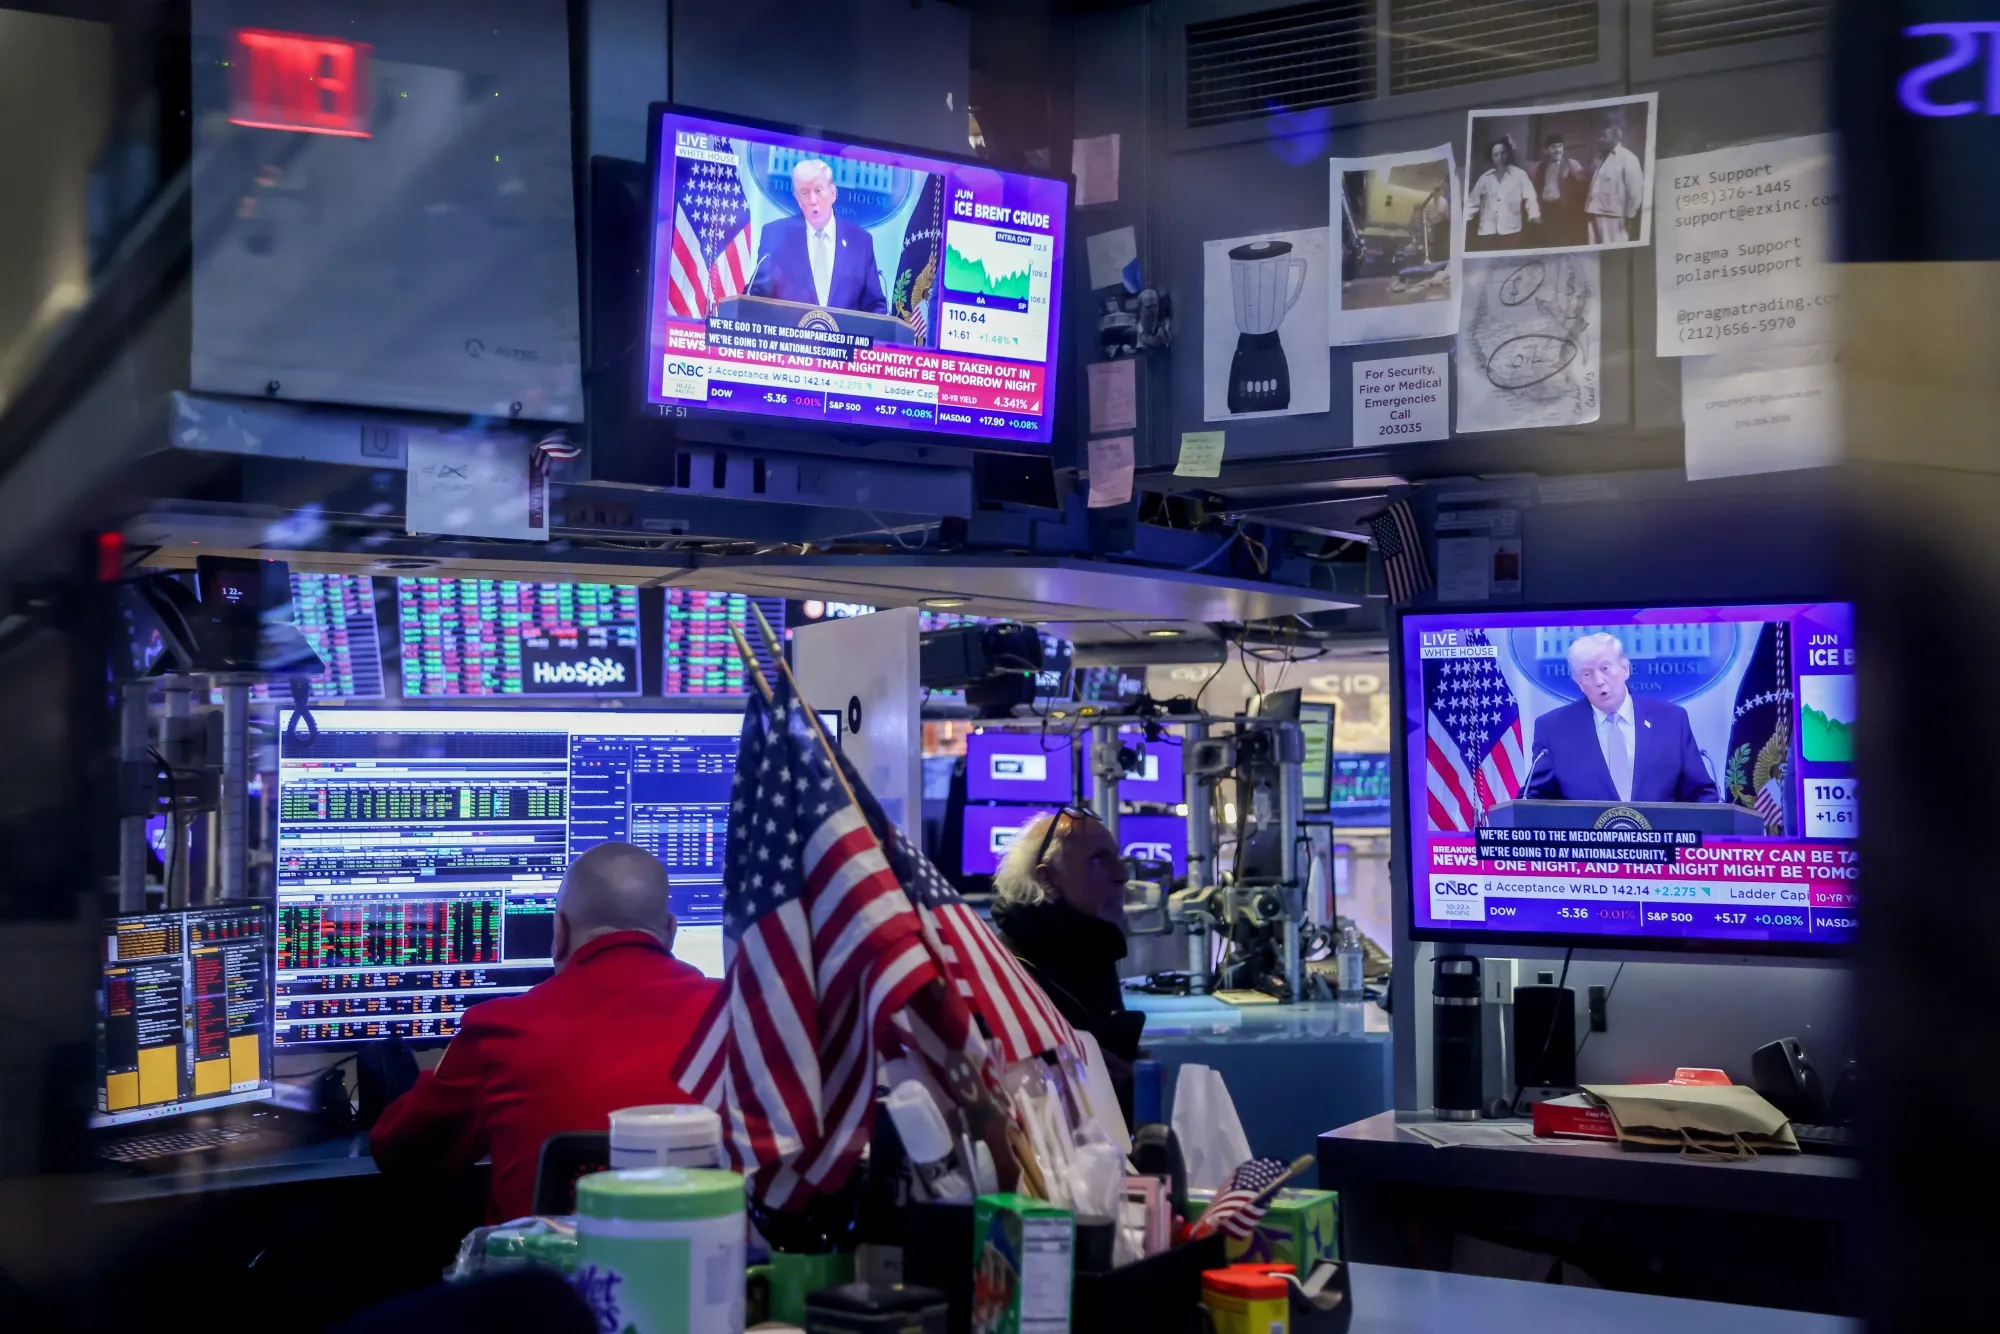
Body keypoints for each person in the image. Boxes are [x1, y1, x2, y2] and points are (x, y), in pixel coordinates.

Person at [370, 842, 720, 1221]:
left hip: (550, 1278)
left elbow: (398, 1151)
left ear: (560, 930)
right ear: (670, 931)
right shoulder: (742, 1018)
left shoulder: (498, 1030)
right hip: (714, 1274)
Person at [990, 807, 1144, 1115]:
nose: (1122, 875)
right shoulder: (1008, 969)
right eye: (1098, 859)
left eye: (1118, 857)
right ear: (1046, 877)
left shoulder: (1090, 945)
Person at [1523, 633, 1719, 805]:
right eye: (1587, 674)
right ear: (1580, 683)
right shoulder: (1553, 729)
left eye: (1605, 668)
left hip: (1660, 844)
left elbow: (1701, 793)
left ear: (1625, 669)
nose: (1599, 681)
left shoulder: (1671, 720)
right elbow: (1533, 800)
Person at [745, 158, 888, 314]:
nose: (813, 200)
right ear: (798, 200)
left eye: (818, 191)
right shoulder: (776, 234)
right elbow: (755, 295)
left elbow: (875, 305)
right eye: (805, 193)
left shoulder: (860, 242)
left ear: (833, 193)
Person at [1464, 136, 1539, 251]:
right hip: (1487, 232)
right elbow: (1472, 202)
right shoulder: (1485, 178)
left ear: (1508, 154)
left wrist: (1533, 215)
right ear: (1492, 158)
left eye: (1503, 153)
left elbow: (1530, 197)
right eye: (1496, 155)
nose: (1500, 157)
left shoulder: (1520, 175)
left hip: (1511, 231)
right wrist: (1463, 220)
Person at [1584, 116, 1646, 245]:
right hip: (1592, 215)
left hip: (1614, 219)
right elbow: (1590, 177)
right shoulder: (1599, 158)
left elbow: (1635, 193)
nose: (1599, 140)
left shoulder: (1628, 158)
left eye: (1604, 136)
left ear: (1617, 136)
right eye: (1598, 136)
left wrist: (1629, 217)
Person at [1528, 134, 1589, 248]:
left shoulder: (1571, 164)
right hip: (1546, 209)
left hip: (1563, 209)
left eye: (1560, 146)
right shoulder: (1540, 167)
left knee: (1563, 242)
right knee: (1546, 242)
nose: (1557, 150)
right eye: (1553, 147)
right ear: (1546, 151)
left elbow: (1583, 184)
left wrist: (1578, 174)